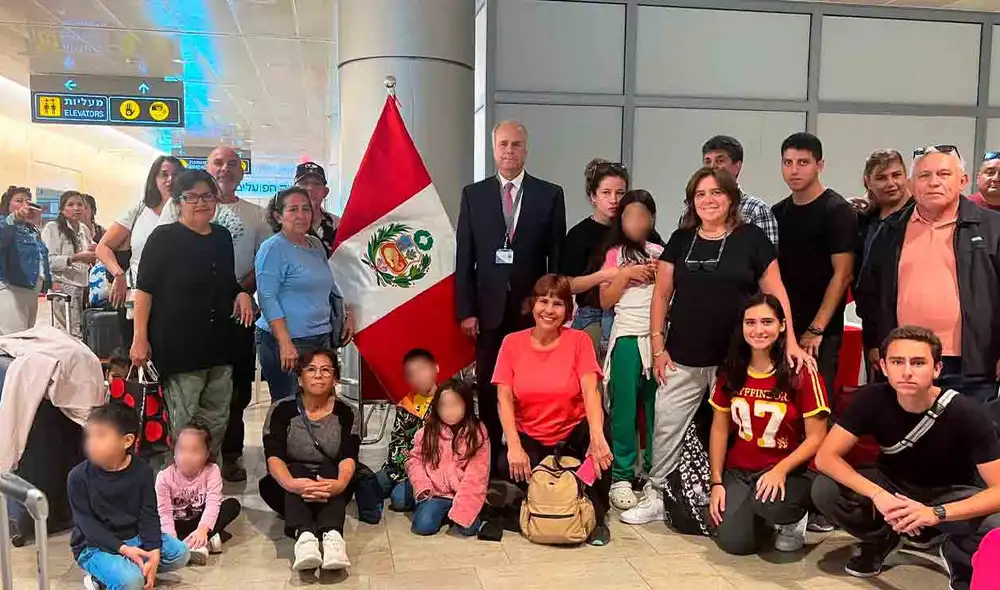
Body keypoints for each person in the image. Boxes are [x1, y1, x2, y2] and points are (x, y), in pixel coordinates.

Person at [621, 167, 812, 526]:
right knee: (667, 426)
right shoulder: (681, 239)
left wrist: (790, 341)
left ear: (731, 198)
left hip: (737, 360)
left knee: (738, 431)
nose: (708, 200)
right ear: (692, 201)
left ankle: (743, 498)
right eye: (700, 194)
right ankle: (658, 494)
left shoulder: (751, 238)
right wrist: (658, 347)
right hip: (683, 356)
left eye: (716, 193)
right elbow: (661, 296)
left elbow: (776, 292)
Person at [812, 326, 1000, 588]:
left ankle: (956, 550)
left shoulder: (967, 414)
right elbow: (825, 457)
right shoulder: (871, 399)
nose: (907, 371)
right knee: (825, 489)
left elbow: (998, 490)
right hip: (892, 485)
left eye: (918, 362)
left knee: (995, 523)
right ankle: (881, 539)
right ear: (884, 367)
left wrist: (936, 513)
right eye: (897, 362)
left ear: (937, 369)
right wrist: (879, 496)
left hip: (949, 493)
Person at [456, 120, 567, 469]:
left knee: (530, 383)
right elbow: (464, 257)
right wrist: (466, 310)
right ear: (493, 149)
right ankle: (490, 455)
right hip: (487, 309)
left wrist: (555, 308)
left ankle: (528, 451)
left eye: (516, 144)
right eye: (503, 144)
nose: (509, 151)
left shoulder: (549, 194)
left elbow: (556, 259)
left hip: (532, 309)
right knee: (489, 381)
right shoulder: (473, 195)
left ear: (526, 149)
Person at [130, 169, 255, 469]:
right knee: (182, 421)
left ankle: (206, 480)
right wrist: (139, 338)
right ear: (178, 202)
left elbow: (226, 281)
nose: (201, 203)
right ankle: (176, 484)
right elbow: (144, 291)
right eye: (192, 197)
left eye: (207, 196)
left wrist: (240, 293)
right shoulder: (163, 238)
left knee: (217, 418)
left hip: (220, 346)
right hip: (180, 348)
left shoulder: (221, 237)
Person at [858, 145, 1000, 402]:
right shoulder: (890, 231)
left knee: (970, 429)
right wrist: (874, 342)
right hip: (904, 360)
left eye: (944, 174)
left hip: (973, 366)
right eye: (924, 175)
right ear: (911, 185)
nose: (934, 182)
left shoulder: (993, 228)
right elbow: (869, 293)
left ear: (963, 181)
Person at [493, 274, 613, 545]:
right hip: (532, 436)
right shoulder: (512, 343)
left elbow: (591, 390)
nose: (549, 310)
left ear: (567, 310)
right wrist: (514, 445)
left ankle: (596, 515)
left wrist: (596, 435)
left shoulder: (579, 341)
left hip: (572, 434)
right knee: (505, 463)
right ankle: (536, 507)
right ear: (533, 304)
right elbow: (504, 397)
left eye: (557, 304)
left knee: (601, 446)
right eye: (543, 302)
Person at [707, 293, 830, 555]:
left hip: (790, 469)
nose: (758, 330)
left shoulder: (801, 371)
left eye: (767, 322)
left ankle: (792, 520)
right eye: (750, 322)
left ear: (782, 325)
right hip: (741, 470)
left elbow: (817, 437)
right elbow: (719, 429)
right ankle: (757, 517)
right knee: (735, 544)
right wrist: (716, 483)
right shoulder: (731, 371)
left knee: (771, 505)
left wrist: (781, 470)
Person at [68, 403, 190, 590]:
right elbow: (87, 526)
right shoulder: (78, 477)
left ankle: (125, 570)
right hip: (95, 546)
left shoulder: (142, 471)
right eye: (90, 435)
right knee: (131, 582)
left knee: (180, 554)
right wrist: (123, 549)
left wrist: (154, 551)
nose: (91, 443)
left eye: (101, 436)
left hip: (135, 537)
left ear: (127, 441)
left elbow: (148, 514)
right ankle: (104, 576)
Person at [772, 132, 857, 397]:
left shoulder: (837, 211)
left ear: (819, 165)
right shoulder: (778, 212)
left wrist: (816, 328)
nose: (794, 170)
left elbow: (843, 275)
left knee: (816, 403)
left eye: (803, 162)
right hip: (782, 327)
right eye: (788, 162)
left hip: (821, 332)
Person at [261, 347, 359, 572]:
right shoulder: (281, 409)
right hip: (288, 486)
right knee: (295, 468)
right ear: (300, 378)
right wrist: (292, 484)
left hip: (332, 484)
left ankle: (333, 538)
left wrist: (340, 484)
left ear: (335, 379)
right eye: (311, 370)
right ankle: (305, 539)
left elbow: (349, 455)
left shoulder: (348, 412)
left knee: (330, 468)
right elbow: (273, 456)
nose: (318, 376)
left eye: (326, 370)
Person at [596, 190, 660, 510]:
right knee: (623, 408)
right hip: (625, 338)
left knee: (654, 409)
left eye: (642, 215)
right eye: (629, 216)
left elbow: (671, 296)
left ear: (652, 219)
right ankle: (621, 474)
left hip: (657, 339)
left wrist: (660, 272)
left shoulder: (661, 253)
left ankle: (652, 473)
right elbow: (604, 301)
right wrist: (625, 276)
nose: (636, 221)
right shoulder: (613, 255)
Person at [256, 187, 344, 402]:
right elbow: (267, 298)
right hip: (287, 341)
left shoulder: (315, 245)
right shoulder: (273, 248)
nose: (301, 215)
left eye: (306, 209)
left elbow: (330, 287)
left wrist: (347, 314)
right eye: (293, 209)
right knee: (291, 407)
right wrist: (285, 342)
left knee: (320, 405)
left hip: (321, 337)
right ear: (278, 216)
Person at [95, 155, 185, 348]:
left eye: (176, 175)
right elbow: (103, 247)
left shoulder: (187, 211)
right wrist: (118, 274)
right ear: (154, 179)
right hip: (136, 295)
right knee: (137, 353)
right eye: (164, 174)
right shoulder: (140, 209)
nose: (170, 180)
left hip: (175, 297)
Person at [852, 149, 914, 380]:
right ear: (867, 182)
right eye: (881, 177)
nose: (891, 183)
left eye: (896, 175)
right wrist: (873, 340)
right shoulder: (864, 220)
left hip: (910, 327)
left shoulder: (918, 217)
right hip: (874, 328)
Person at [401, 379, 489, 536]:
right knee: (423, 526)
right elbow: (415, 461)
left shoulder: (477, 433)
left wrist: (464, 505)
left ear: (466, 405)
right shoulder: (428, 431)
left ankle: (450, 512)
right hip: (435, 491)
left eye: (455, 404)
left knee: (468, 528)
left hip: (462, 491)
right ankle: (426, 505)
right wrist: (423, 487)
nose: (449, 411)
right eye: (444, 405)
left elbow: (477, 474)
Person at [561, 159, 630, 358]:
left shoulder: (636, 228)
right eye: (606, 193)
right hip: (592, 315)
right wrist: (604, 275)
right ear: (593, 196)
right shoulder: (579, 235)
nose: (614, 200)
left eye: (620, 193)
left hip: (631, 312)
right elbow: (568, 284)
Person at [155, 421, 242, 565]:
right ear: (174, 453)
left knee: (232, 505)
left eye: (195, 451)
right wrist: (173, 542)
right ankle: (202, 542)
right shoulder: (164, 477)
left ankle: (200, 539)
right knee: (152, 522)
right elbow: (164, 512)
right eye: (182, 449)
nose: (187, 456)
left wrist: (202, 529)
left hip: (200, 520)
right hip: (176, 522)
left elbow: (213, 503)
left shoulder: (212, 470)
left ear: (207, 453)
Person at [375, 348, 440, 511]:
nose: (418, 377)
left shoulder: (445, 401)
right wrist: (405, 460)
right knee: (371, 485)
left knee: (399, 500)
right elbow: (397, 440)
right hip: (399, 467)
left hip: (428, 470)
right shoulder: (406, 405)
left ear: (436, 368)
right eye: (411, 374)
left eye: (422, 369)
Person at [692, 135, 779, 246]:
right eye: (708, 161)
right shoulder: (695, 206)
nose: (712, 167)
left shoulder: (756, 209)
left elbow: (767, 255)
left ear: (737, 166)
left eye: (720, 161)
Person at [41, 190, 96, 337]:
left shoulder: (84, 229)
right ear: (62, 209)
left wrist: (94, 253)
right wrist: (74, 258)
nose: (76, 208)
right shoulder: (52, 228)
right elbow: (48, 262)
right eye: (71, 204)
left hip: (82, 285)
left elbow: (90, 255)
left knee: (80, 330)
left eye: (80, 204)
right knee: (68, 332)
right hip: (62, 285)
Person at [0, 186, 50, 335]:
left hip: (31, 289)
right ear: (7, 205)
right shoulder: (4, 223)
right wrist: (13, 219)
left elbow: (42, 256)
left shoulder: (31, 229)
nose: (24, 205)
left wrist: (47, 281)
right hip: (11, 288)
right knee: (14, 337)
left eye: (27, 201)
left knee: (27, 335)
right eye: (18, 201)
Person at [292, 161, 341, 258]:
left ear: (325, 192)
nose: (310, 188)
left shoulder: (337, 225)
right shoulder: (283, 224)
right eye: (304, 183)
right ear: (293, 191)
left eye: (316, 184)